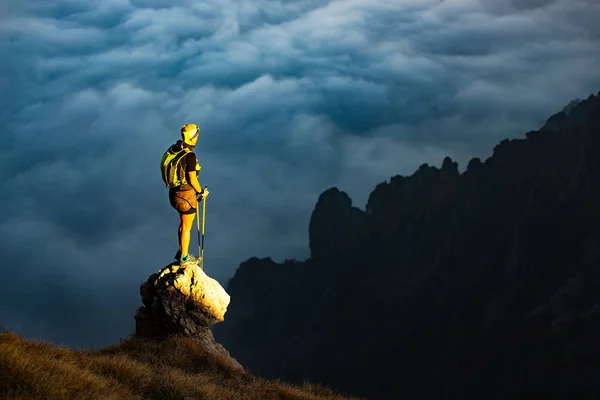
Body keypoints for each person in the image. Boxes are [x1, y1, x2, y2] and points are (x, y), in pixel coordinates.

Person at [160, 123, 209, 266]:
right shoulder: (190, 156)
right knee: (187, 227)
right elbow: (193, 179)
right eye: (197, 134)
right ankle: (184, 258)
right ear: (193, 137)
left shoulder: (175, 149)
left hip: (174, 194)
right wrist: (201, 192)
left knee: (182, 225)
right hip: (186, 196)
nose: (198, 137)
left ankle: (182, 250)